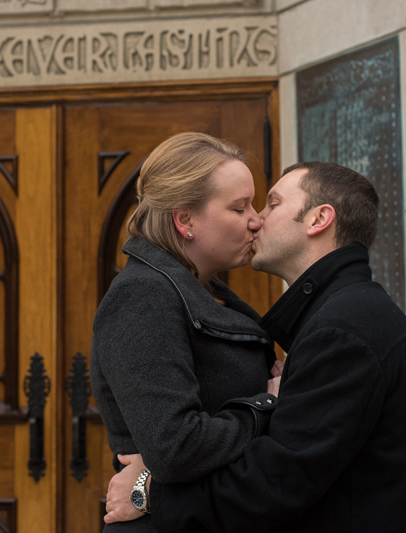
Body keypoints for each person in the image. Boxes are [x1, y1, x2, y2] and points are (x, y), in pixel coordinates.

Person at [105, 162, 406, 532]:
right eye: (241, 208)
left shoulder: (343, 329)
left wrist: (148, 493)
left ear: (318, 219)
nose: (257, 220)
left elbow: (278, 479)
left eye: (271, 204)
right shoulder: (344, 316)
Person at [90, 132, 283, 532]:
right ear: (185, 220)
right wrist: (267, 402)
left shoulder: (200, 292)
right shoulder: (143, 296)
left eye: (253, 203)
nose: (256, 219)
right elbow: (174, 447)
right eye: (238, 207)